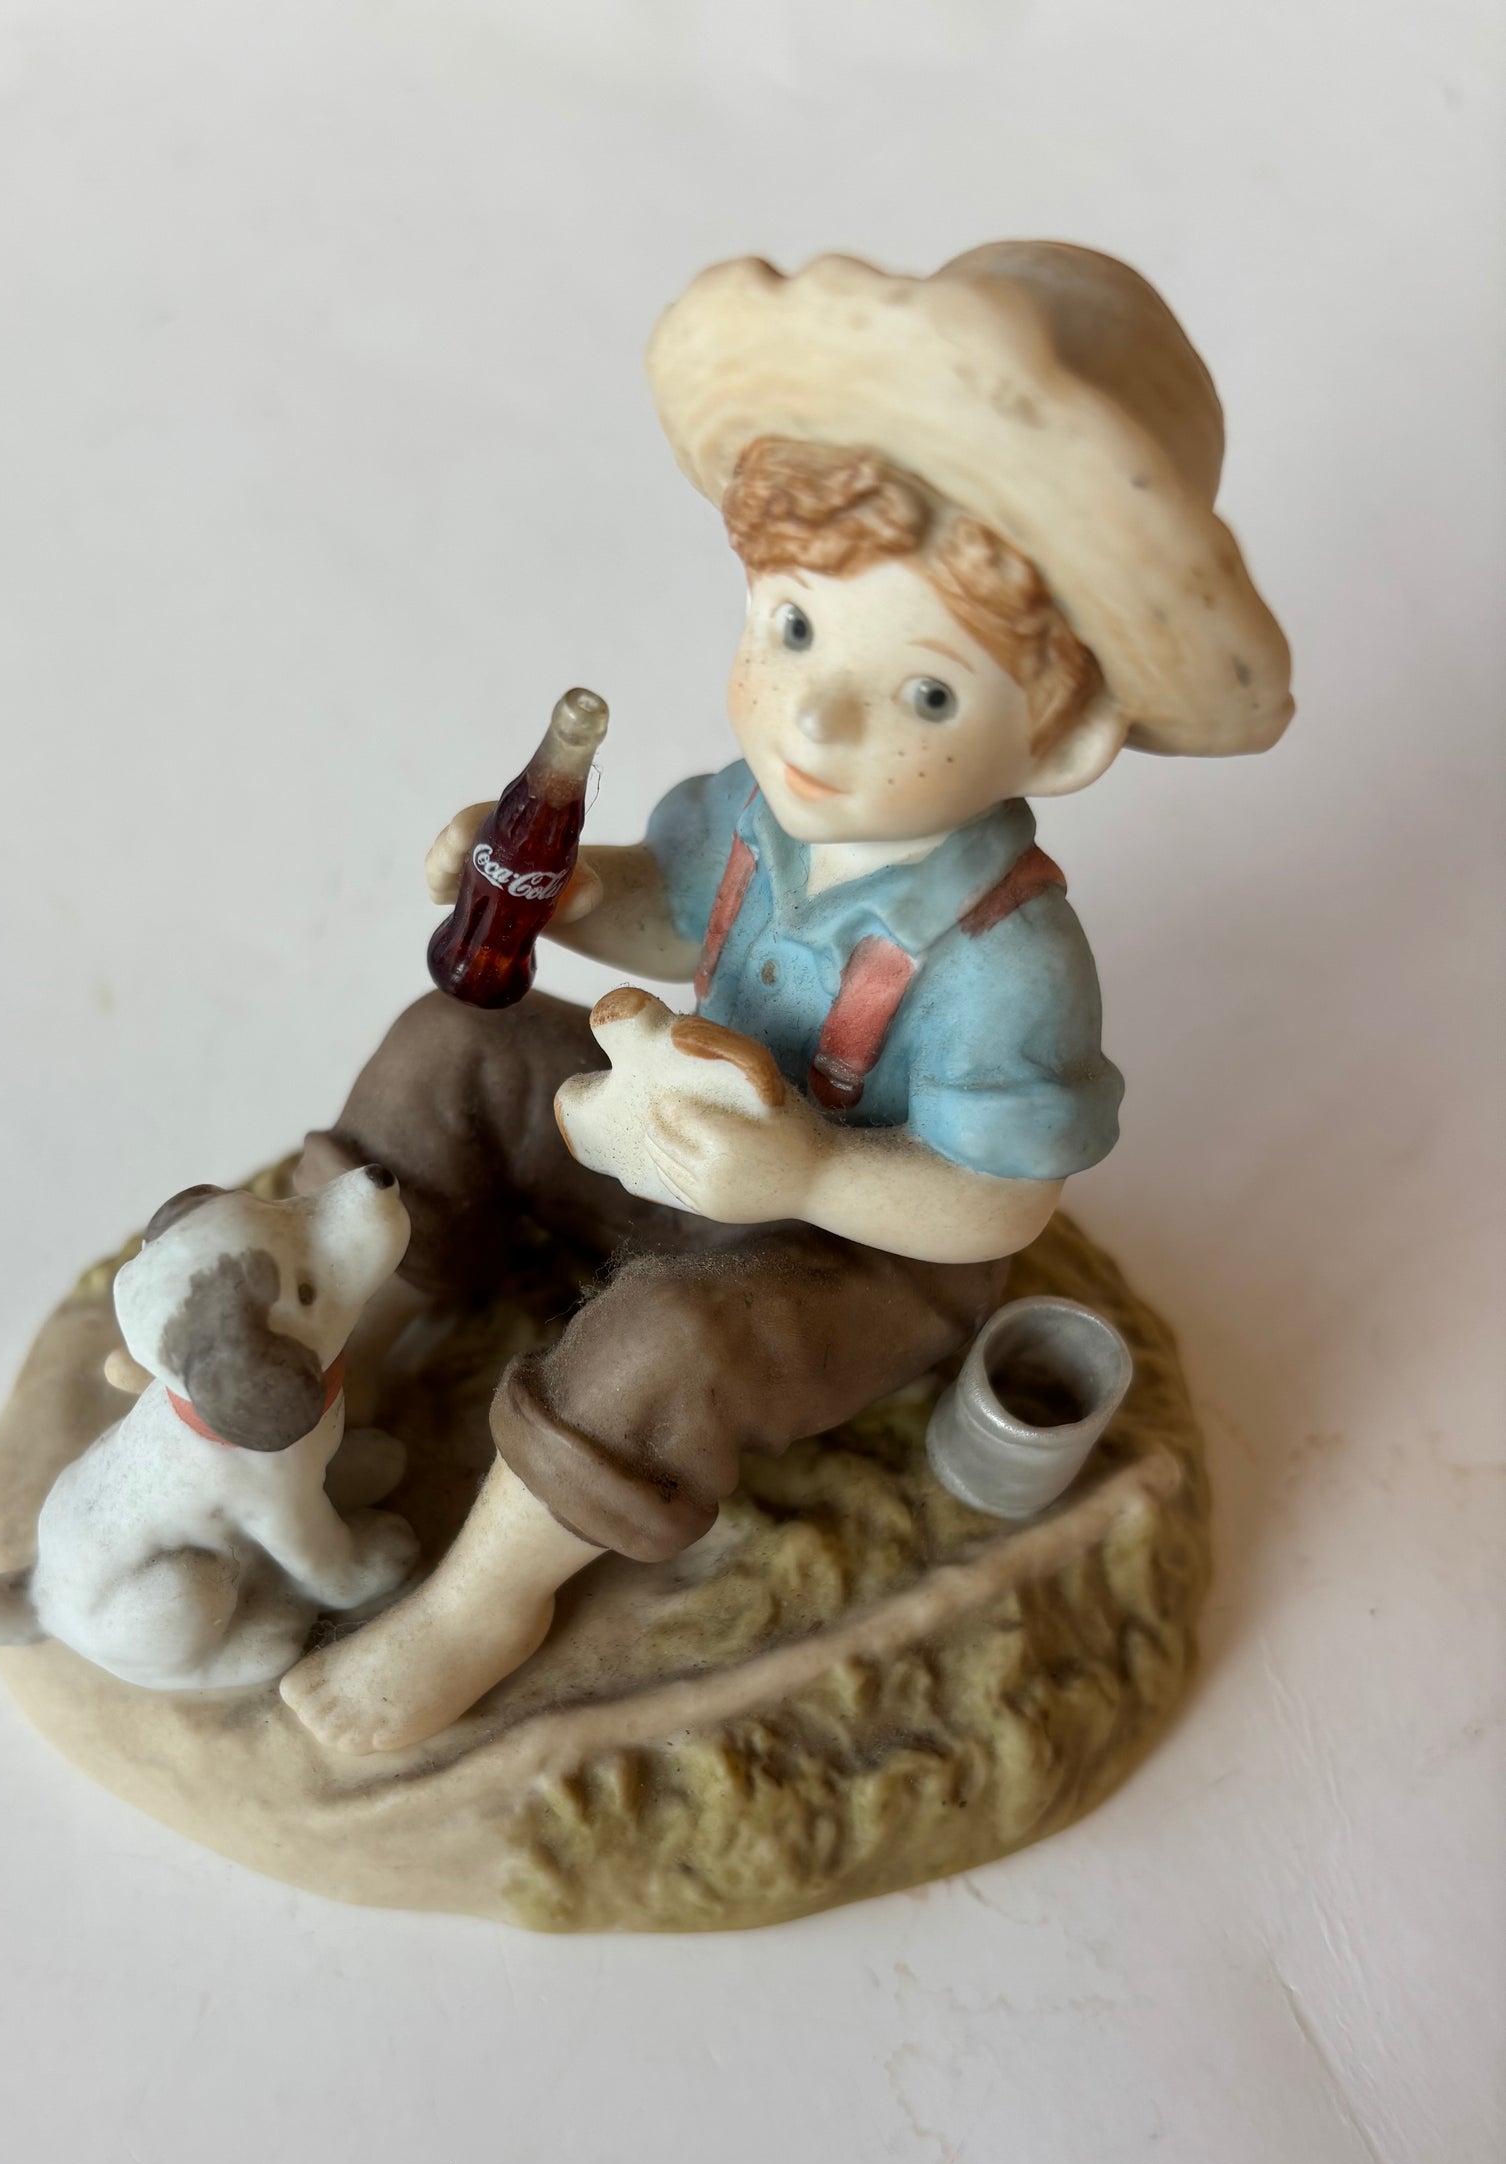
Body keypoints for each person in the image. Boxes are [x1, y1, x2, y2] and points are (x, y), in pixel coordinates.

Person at [281, 241, 1291, 1754]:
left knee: (661, 1344)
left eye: (927, 692)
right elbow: (667, 905)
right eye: (796, 628)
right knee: (449, 1048)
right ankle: (325, 1350)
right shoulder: (753, 811)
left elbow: (1000, 1205)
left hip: (852, 1258)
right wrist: (561, 890)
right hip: (668, 1137)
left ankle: (484, 1601)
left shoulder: (1004, 956)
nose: (815, 716)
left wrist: (807, 1174)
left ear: (1062, 733)